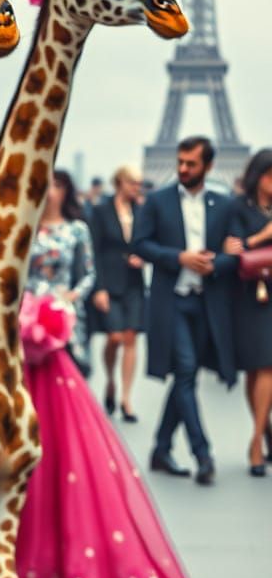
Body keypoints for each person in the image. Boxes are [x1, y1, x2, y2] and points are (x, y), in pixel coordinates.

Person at [15, 290, 214, 578]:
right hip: (11, 346)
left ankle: (128, 398)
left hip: (50, 348)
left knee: (68, 467)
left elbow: (83, 278)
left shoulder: (67, 244)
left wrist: (59, 308)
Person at [133, 135, 236, 486]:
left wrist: (215, 263)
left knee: (184, 377)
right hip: (172, 301)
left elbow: (235, 253)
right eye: (180, 162)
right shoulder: (157, 201)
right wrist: (179, 257)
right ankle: (202, 454)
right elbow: (140, 244)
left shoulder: (224, 205)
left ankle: (161, 449)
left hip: (206, 302)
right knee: (188, 369)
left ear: (208, 166)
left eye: (191, 163)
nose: (183, 168)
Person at [223, 148, 272, 476]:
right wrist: (262, 237)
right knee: (256, 369)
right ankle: (262, 434)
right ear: (259, 176)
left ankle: (257, 439)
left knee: (267, 366)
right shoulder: (237, 208)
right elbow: (234, 249)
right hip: (250, 296)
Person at [90, 164, 147, 421]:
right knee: (114, 338)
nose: (137, 188)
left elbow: (149, 243)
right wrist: (99, 288)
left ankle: (126, 398)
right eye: (133, 183)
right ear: (120, 183)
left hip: (134, 283)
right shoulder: (101, 212)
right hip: (109, 283)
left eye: (139, 184)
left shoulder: (143, 212)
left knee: (131, 338)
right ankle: (111, 380)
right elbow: (94, 250)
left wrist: (143, 258)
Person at [27, 170, 95, 370]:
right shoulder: (26, 228)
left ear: (66, 191)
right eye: (46, 184)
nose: (50, 191)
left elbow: (89, 273)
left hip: (61, 309)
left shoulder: (77, 229)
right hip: (28, 311)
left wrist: (73, 296)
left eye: (57, 185)